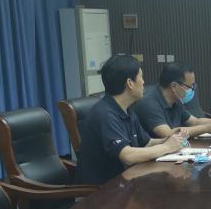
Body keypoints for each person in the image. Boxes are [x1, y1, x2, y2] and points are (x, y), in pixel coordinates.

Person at [75, 55, 185, 185]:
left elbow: (146, 142)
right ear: (130, 83)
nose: (143, 82)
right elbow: (128, 156)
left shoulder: (126, 109)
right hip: (104, 190)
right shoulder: (105, 114)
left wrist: (169, 139)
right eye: (141, 77)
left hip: (126, 182)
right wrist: (167, 147)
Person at [132, 63, 211, 139]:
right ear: (174, 86)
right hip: (153, 157)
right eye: (189, 86)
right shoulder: (148, 103)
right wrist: (206, 128)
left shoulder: (176, 100)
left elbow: (194, 122)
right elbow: (167, 134)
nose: (192, 90)